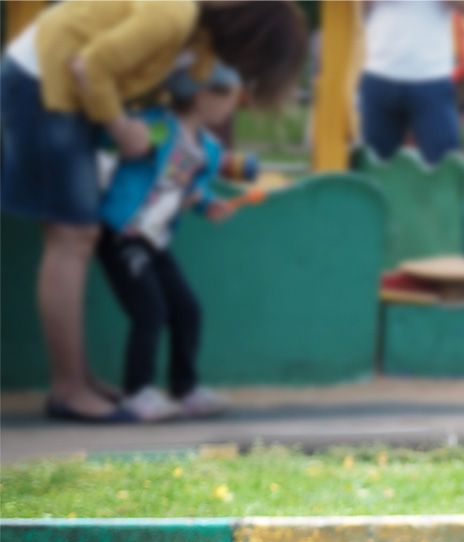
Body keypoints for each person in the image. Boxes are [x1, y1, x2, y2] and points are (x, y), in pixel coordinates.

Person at [1, 0, 306, 422]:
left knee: (78, 235)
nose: (240, 73)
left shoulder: (196, 38)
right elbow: (90, 67)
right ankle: (68, 389)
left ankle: (80, 380)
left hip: (67, 90)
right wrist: (122, 127)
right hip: (43, 82)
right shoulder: (173, 15)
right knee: (70, 236)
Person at [94, 64, 248, 422]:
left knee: (187, 310)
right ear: (202, 96)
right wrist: (132, 134)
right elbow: (114, 140)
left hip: (154, 241)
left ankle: (185, 388)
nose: (231, 108)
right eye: (228, 98)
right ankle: (137, 392)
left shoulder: (208, 149)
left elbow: (192, 189)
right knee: (150, 310)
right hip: (123, 234)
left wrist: (209, 205)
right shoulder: (161, 126)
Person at [358, 0, 464, 259]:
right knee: (373, 180)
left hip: (430, 79)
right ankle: (373, 264)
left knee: (448, 174)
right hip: (380, 73)